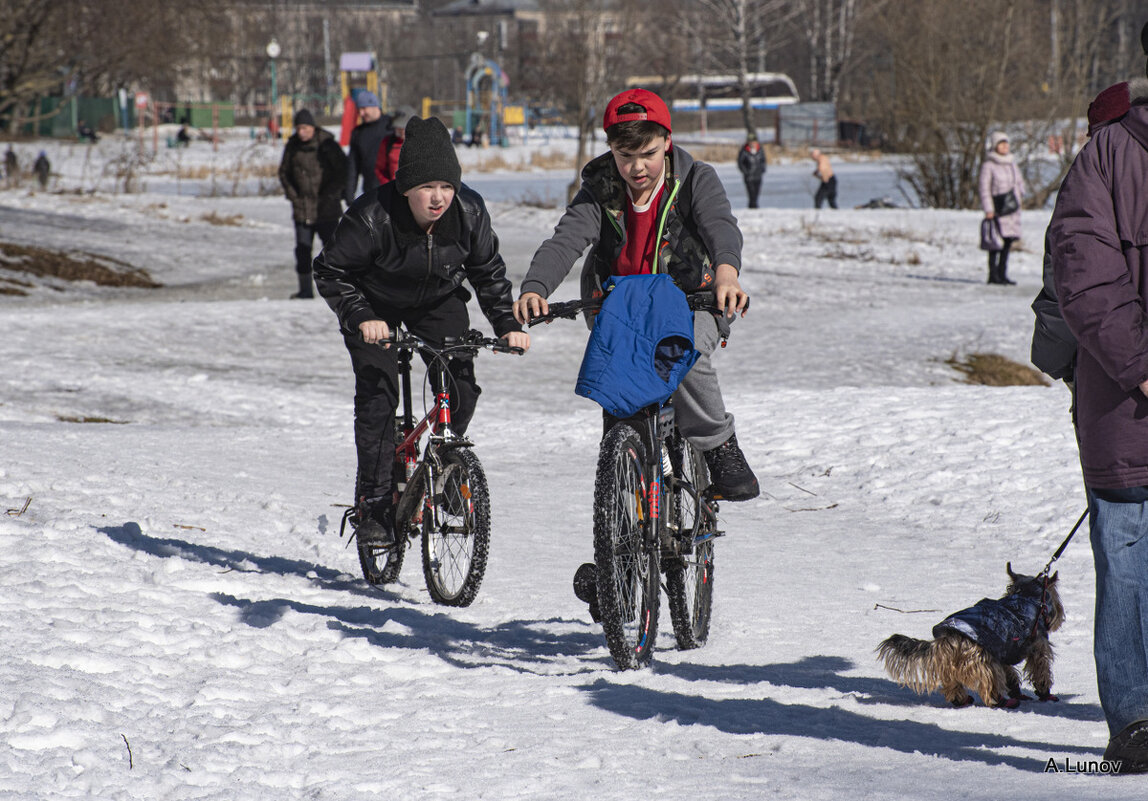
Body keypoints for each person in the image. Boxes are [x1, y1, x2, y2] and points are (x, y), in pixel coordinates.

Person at [314, 116, 529, 546]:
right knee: (378, 397)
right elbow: (330, 270)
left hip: (437, 300)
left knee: (461, 385)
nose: (438, 198)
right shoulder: (370, 217)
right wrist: (360, 316)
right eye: (428, 187)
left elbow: (488, 273)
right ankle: (375, 502)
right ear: (406, 186)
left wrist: (506, 323)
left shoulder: (469, 212)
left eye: (447, 187)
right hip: (373, 305)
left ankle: (447, 466)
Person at [1046, 22, 1148, 772]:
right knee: (1131, 572)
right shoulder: (1108, 156)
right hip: (1129, 411)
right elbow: (1082, 275)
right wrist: (1141, 365)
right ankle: (1136, 719)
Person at [277, 109, 348, 300]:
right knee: (302, 249)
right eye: (299, 128)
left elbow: (343, 170)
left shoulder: (327, 144)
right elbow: (284, 173)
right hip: (302, 207)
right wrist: (293, 196)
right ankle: (305, 290)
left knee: (332, 251)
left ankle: (338, 290)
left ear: (313, 127)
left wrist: (332, 194)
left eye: (305, 128)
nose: (302, 132)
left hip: (327, 208)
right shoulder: (292, 146)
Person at [979, 131, 1025, 285]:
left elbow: (1019, 183)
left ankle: (1002, 273)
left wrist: (1020, 198)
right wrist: (988, 209)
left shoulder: (1012, 163)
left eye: (1006, 143)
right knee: (994, 242)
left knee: (1007, 241)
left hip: (1012, 209)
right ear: (994, 146)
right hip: (997, 209)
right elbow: (984, 188)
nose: (1005, 146)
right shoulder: (989, 166)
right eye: (1001, 143)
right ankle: (993, 275)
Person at [343, 90, 393, 203]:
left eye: (364, 108)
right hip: (371, 193)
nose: (361, 114)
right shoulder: (358, 133)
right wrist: (349, 193)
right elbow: (353, 166)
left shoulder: (392, 126)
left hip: (394, 191)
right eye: (359, 110)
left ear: (374, 106)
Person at [373, 109, 410, 187]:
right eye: (400, 127)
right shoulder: (387, 142)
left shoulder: (422, 141)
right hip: (394, 190)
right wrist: (389, 186)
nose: (403, 131)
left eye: (405, 127)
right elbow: (380, 169)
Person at [737, 132, 766, 209]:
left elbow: (763, 160)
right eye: (751, 141)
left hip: (758, 175)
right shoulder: (744, 151)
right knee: (751, 193)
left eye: (754, 141)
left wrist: (762, 169)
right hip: (749, 176)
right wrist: (746, 171)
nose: (752, 143)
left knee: (757, 192)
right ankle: (752, 207)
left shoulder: (760, 150)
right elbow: (740, 162)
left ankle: (755, 206)